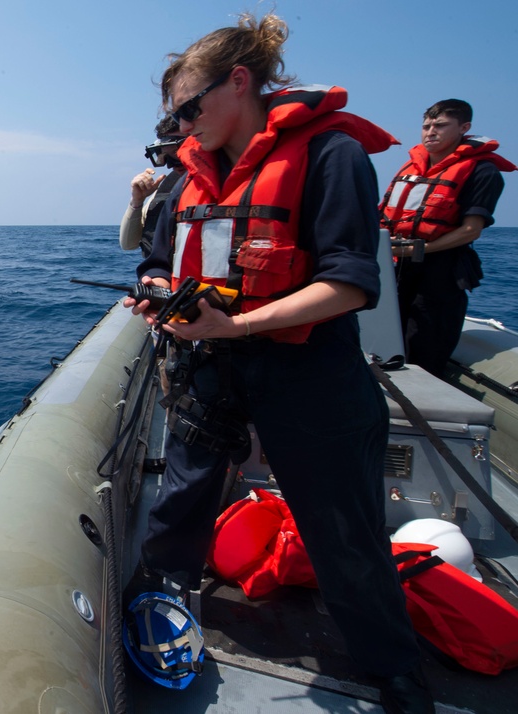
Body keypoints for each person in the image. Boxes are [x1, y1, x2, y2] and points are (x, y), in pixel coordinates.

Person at [125, 12, 434, 713]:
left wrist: (235, 324)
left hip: (309, 373)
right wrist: (155, 296)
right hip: (209, 368)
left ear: (239, 83)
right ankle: (155, 615)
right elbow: (154, 262)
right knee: (179, 507)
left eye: (187, 108)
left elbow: (351, 283)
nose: (178, 124)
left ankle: (393, 670)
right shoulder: (183, 180)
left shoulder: (330, 156)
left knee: (343, 529)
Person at [379, 99, 515, 378]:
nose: (431, 132)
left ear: (464, 127)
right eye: (427, 126)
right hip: (396, 267)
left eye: (440, 126)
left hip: (440, 272)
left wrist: (421, 249)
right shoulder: (411, 169)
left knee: (423, 346)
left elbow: (471, 230)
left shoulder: (482, 172)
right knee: (382, 342)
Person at [120, 115, 186, 258]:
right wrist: (137, 201)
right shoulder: (165, 191)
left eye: (176, 152)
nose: (170, 164)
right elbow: (128, 244)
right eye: (165, 155)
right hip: (159, 277)